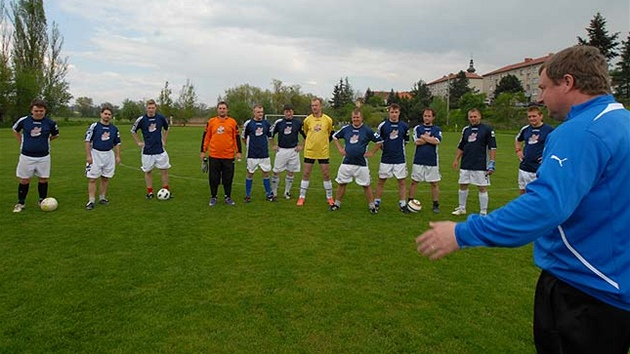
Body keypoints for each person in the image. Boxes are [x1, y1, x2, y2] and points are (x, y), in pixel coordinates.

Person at [416, 45, 630, 354]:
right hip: (616, 286)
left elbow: (545, 206)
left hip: (583, 291)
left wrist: (463, 233)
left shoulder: (581, 131)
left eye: (544, 88)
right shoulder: (622, 121)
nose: (540, 98)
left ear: (567, 83)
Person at [330, 108, 383, 213]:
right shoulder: (346, 129)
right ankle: (336, 204)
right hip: (347, 162)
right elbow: (334, 136)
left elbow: (380, 140)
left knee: (366, 185)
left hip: (361, 164)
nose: (356, 119)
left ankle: (372, 206)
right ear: (351, 118)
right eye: (354, 117)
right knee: (342, 183)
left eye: (357, 117)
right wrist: (340, 149)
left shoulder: (367, 130)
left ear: (361, 118)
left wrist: (372, 152)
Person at [11, 99, 59, 213]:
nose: (39, 113)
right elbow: (14, 130)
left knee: (43, 179)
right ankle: (21, 203)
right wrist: (21, 141)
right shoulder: (24, 121)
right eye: (36, 111)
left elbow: (56, 135)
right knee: (24, 180)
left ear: (45, 111)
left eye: (41, 111)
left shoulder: (50, 123)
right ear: (31, 110)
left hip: (44, 156)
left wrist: (44, 142)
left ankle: (42, 200)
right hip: (26, 156)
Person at [451, 108, 497, 216]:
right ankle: (462, 208)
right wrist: (456, 159)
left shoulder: (487, 130)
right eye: (471, 117)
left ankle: (483, 212)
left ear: (480, 117)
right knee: (463, 185)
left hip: (480, 164)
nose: (473, 119)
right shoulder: (466, 130)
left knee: (482, 187)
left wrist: (492, 162)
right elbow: (461, 146)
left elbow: (493, 147)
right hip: (466, 162)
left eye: (475, 116)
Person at [200, 101, 242, 206]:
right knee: (214, 178)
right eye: (220, 108)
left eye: (224, 108)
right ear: (217, 110)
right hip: (214, 155)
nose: (222, 110)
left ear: (227, 110)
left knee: (228, 178)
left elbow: (236, 138)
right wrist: (203, 151)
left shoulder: (232, 122)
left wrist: (239, 152)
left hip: (228, 156)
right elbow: (206, 137)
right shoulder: (211, 122)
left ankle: (228, 197)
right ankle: (213, 197)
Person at [297, 97, 335, 206]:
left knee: (326, 174)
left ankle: (329, 197)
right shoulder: (307, 120)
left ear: (321, 106)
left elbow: (330, 133)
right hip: (310, 151)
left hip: (323, 152)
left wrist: (323, 143)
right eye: (312, 105)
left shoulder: (328, 120)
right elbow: (305, 132)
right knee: (306, 173)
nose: (314, 107)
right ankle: (302, 197)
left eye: (316, 105)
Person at [130, 99, 171, 199]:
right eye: (149, 108)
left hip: (160, 150)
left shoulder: (160, 118)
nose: (151, 109)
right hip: (147, 151)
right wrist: (139, 142)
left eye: (153, 108)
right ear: (146, 108)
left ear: (155, 108)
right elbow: (133, 131)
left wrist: (164, 140)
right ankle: (150, 192)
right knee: (148, 171)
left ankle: (166, 190)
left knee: (164, 170)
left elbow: (167, 128)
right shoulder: (141, 119)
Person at [84, 104, 121, 210]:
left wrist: (118, 156)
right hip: (96, 154)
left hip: (109, 154)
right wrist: (88, 156)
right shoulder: (94, 126)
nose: (107, 116)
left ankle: (102, 198)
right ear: (101, 114)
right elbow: (87, 141)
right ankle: (91, 201)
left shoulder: (114, 128)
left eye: (109, 114)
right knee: (92, 179)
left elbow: (117, 143)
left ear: (111, 116)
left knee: (105, 178)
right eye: (105, 114)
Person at [374, 103, 410, 213]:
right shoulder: (383, 126)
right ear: (389, 112)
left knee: (402, 182)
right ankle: (376, 202)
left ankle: (403, 204)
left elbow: (406, 142)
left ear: (399, 113)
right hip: (386, 159)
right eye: (392, 112)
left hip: (400, 159)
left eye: (396, 112)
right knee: (381, 181)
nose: (394, 114)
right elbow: (379, 141)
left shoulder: (404, 126)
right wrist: (386, 150)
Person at [408, 108, 442, 213]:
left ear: (433, 117)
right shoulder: (418, 128)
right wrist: (428, 138)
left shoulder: (437, 129)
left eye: (429, 116)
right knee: (414, 182)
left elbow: (437, 141)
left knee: (434, 183)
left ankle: (436, 204)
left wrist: (424, 138)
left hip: (432, 160)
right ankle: (410, 202)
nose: (426, 118)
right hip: (418, 160)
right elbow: (417, 142)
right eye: (425, 116)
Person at [515, 106, 554, 194]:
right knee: (522, 191)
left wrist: (547, 157)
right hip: (524, 167)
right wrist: (518, 150)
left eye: (534, 116)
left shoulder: (549, 130)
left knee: (537, 193)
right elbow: (518, 139)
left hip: (538, 168)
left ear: (541, 116)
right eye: (529, 117)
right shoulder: (525, 129)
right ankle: (523, 208)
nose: (532, 118)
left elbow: (557, 145)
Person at [270, 104, 305, 200]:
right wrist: (273, 145)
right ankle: (274, 192)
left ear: (293, 112)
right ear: (284, 112)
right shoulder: (279, 122)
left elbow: (306, 135)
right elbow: (270, 134)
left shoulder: (298, 122)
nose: (288, 113)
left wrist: (301, 145)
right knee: (276, 171)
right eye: (286, 111)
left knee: (291, 172)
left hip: (293, 151)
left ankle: (287, 192)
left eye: (290, 111)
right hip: (281, 150)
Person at [242, 104, 274, 202]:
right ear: (254, 112)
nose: (260, 114)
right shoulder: (249, 123)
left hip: (264, 153)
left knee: (266, 173)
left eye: (261, 112)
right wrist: (249, 146)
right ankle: (247, 195)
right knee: (250, 173)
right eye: (258, 112)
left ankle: (269, 194)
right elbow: (243, 137)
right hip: (252, 154)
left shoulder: (266, 123)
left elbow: (270, 136)